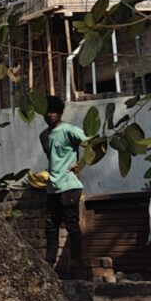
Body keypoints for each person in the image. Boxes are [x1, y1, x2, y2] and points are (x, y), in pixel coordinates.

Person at [39, 97, 86, 276]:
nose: (49, 115)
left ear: (60, 112)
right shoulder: (44, 136)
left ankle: (75, 264)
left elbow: (94, 144)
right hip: (53, 186)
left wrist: (81, 162)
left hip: (70, 185)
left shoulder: (69, 130)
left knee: (72, 225)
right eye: (47, 111)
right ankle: (49, 264)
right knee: (51, 227)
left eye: (53, 111)